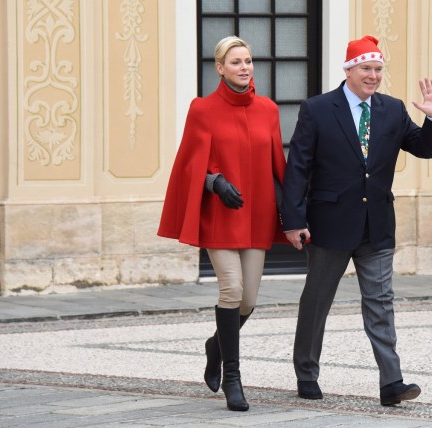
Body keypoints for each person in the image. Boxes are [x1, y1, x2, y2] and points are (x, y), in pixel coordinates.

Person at [280, 35, 432, 406]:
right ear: (349, 70)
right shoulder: (318, 109)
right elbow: (298, 167)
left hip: (377, 225)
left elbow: (423, 147)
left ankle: (392, 383)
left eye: (378, 69)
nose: (373, 76)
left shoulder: (392, 109)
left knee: (380, 302)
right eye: (366, 68)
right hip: (329, 224)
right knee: (317, 302)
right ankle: (306, 373)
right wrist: (293, 220)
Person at [157, 36, 287, 412]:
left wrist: (295, 216)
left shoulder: (268, 110)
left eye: (248, 61)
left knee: (248, 301)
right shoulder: (202, 109)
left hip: (257, 216)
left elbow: (279, 168)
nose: (244, 67)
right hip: (221, 217)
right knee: (231, 292)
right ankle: (233, 378)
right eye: (235, 62)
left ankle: (215, 346)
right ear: (219, 67)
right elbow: (188, 166)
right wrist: (214, 182)